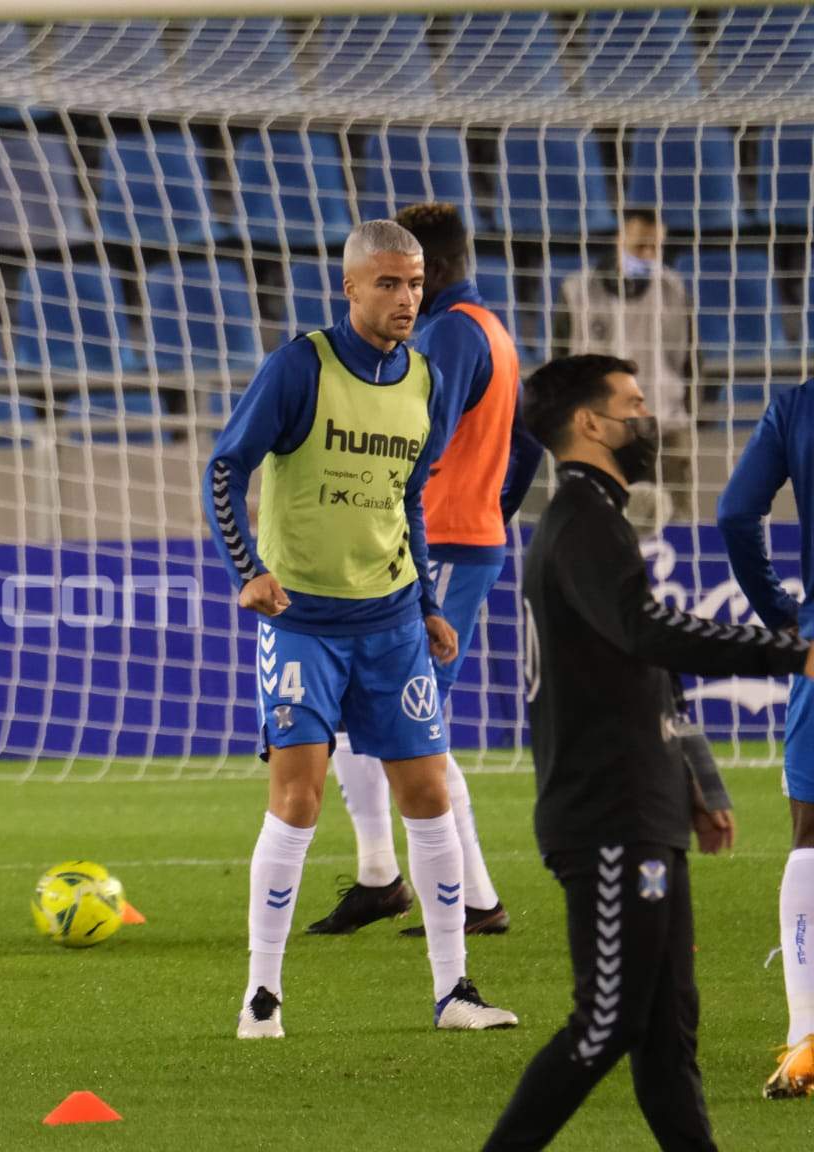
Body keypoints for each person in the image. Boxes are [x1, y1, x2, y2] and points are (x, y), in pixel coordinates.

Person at [484, 355, 813, 1150]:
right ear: (590, 424)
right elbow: (648, 632)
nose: (647, 418)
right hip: (607, 814)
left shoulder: (597, 518)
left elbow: (645, 670)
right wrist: (789, 650)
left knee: (667, 1035)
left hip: (643, 807)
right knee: (607, 1024)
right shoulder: (581, 521)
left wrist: (696, 778)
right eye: (632, 404)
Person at [202, 219, 519, 1039]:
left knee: (430, 793)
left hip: (391, 620)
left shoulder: (427, 379)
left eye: (414, 283)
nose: (406, 298)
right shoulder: (300, 366)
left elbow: (407, 496)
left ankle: (454, 991)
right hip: (301, 621)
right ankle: (262, 996)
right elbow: (225, 467)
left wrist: (428, 605)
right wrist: (248, 571)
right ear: (349, 288)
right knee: (298, 798)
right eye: (387, 283)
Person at [311, 202, 542, 939]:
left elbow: (415, 442)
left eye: (407, 276)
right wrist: (490, 513)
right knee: (371, 710)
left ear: (431, 269)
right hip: (459, 538)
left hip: (435, 542)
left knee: (410, 718)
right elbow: (528, 445)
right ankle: (386, 877)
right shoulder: (491, 329)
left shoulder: (447, 334)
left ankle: (464, 897)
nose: (401, 292)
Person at [714, 380, 814, 1099]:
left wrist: (782, 614)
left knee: (811, 835)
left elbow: (734, 513)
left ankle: (807, 1037)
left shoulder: (797, 406)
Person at [556, 207, 697, 518]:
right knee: (594, 521)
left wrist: (689, 408)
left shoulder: (674, 290)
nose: (647, 255)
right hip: (597, 431)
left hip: (664, 425)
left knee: (678, 523)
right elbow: (560, 362)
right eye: (639, 246)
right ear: (620, 240)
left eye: (655, 247)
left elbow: (692, 359)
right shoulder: (577, 292)